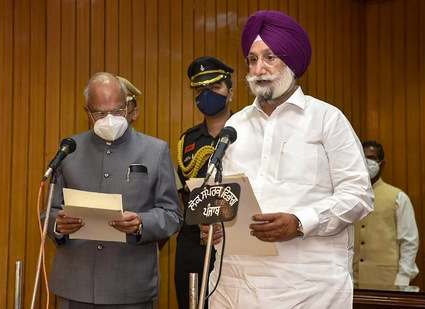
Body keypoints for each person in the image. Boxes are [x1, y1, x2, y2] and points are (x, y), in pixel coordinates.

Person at [198, 10, 374, 308]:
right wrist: (212, 223)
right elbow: (221, 195)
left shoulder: (327, 119)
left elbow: (358, 196)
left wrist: (300, 222)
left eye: (270, 57)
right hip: (235, 283)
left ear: (291, 60)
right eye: (252, 60)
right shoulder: (235, 127)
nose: (259, 68)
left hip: (310, 287)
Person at [41, 72, 183, 308]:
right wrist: (58, 224)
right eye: (100, 112)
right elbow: (48, 211)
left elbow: (173, 215)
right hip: (75, 285)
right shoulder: (69, 150)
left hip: (131, 287)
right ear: (87, 112)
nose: (110, 118)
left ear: (128, 107)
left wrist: (141, 222)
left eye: (117, 111)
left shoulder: (156, 150)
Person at [173, 56, 235, 309]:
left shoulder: (250, 133)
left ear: (230, 93)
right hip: (193, 243)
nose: (207, 95)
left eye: (215, 88)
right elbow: (183, 191)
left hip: (233, 242)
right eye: (200, 90)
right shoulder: (188, 140)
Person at [354, 140, 420, 287]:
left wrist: (403, 278)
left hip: (387, 282)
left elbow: (409, 241)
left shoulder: (398, 197)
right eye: (362, 157)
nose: (366, 162)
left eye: (371, 158)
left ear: (381, 164)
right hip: (354, 282)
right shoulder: (350, 198)